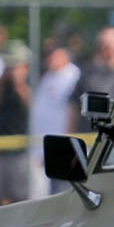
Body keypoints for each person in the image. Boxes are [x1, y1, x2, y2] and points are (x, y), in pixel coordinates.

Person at [0, 42, 32, 205]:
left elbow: (30, 105)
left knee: (19, 196)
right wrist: (2, 83)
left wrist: (19, 83)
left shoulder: (27, 87)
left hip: (20, 151)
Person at [33, 44, 82, 195]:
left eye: (54, 55)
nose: (50, 59)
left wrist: (69, 138)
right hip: (45, 144)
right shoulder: (48, 77)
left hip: (63, 142)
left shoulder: (72, 76)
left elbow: (73, 111)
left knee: (64, 189)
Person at [79, 26, 114, 123]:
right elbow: (73, 107)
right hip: (90, 133)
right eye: (106, 47)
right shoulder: (88, 75)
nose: (110, 51)